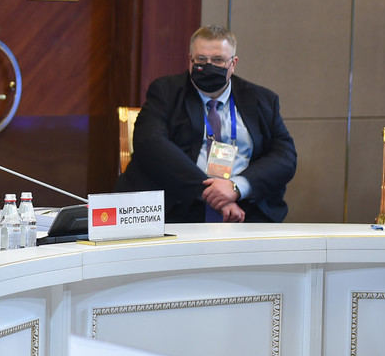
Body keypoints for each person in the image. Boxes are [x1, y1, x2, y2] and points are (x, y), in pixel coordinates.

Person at [115, 25, 297, 223]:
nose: (208, 66)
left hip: (245, 209)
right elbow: (150, 144)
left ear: (233, 63)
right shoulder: (166, 92)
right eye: (201, 60)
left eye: (218, 60)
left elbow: (285, 156)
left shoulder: (261, 100)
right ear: (190, 59)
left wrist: (236, 187)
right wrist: (213, 194)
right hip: (180, 206)